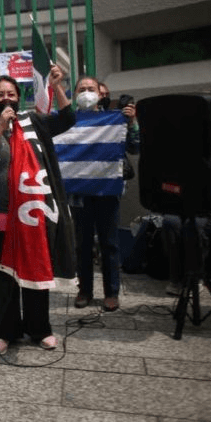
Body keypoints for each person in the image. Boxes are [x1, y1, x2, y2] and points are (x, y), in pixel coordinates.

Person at [0, 67, 75, 355]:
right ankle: (4, 331)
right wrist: (1, 127)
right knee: (3, 281)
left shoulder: (32, 122)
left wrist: (57, 86)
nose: (6, 99)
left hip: (31, 216)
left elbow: (67, 119)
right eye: (0, 95)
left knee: (35, 274)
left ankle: (40, 329)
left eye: (11, 94)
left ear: (18, 98)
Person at [71, 77, 139, 312]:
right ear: (75, 94)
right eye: (82, 89)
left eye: (91, 89)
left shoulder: (115, 118)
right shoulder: (69, 121)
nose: (87, 93)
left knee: (109, 243)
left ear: (101, 95)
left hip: (107, 190)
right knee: (82, 243)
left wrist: (132, 123)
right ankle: (85, 290)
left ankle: (111, 292)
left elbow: (135, 147)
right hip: (79, 192)